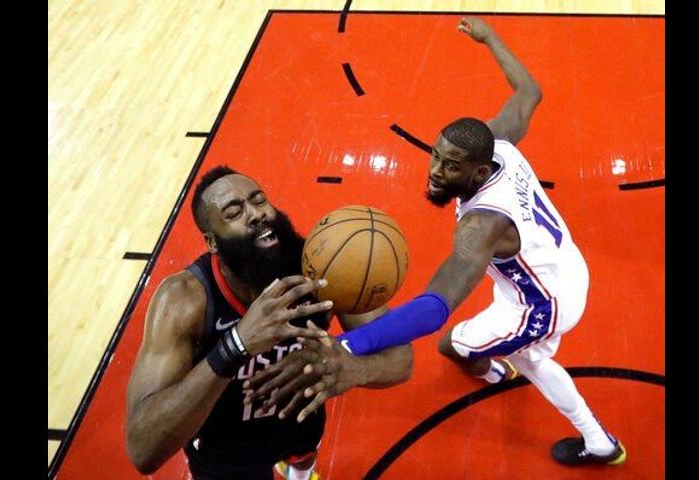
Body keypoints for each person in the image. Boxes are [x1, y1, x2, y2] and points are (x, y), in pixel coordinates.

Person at [269, 17, 626, 467]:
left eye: (451, 166)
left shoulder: (481, 225)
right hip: (562, 264)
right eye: (436, 156)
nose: (436, 172)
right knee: (460, 348)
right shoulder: (498, 143)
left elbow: (434, 308)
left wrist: (348, 345)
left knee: (504, 355)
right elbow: (529, 92)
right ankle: (495, 367)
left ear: (479, 172)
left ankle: (599, 441)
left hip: (542, 302)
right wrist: (490, 37)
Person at [125, 166, 412, 480]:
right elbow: (143, 448)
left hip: (301, 426)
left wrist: (355, 367)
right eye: (234, 212)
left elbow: (402, 358)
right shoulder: (185, 299)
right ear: (212, 242)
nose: (255, 214)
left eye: (259, 200)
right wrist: (236, 345)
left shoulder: (319, 267)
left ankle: (298, 471)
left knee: (303, 460)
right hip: (226, 453)